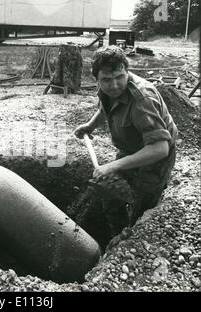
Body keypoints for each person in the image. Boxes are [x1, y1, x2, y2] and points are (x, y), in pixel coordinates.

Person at [74, 45, 178, 239]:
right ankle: (117, 234)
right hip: (130, 147)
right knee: (111, 194)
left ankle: (133, 239)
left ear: (127, 71)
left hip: (155, 156)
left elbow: (160, 148)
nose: (114, 85)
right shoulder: (109, 89)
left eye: (119, 77)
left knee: (141, 206)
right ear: (96, 78)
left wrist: (113, 165)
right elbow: (107, 107)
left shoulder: (142, 100)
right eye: (106, 80)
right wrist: (90, 126)